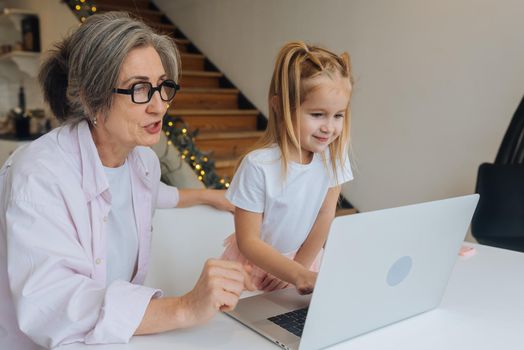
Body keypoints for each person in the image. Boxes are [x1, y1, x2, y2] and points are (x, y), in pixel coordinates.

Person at [0, 12, 254, 350]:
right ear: (91, 99)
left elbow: (157, 195)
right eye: (139, 89)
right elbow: (54, 305)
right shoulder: (39, 175)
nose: (159, 105)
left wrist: (212, 196)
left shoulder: (142, 161)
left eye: (163, 86)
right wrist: (184, 308)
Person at [222, 42, 354, 294]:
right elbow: (248, 241)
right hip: (253, 267)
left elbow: (325, 216)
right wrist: (294, 273)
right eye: (317, 115)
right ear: (280, 106)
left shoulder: (334, 157)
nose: (329, 127)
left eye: (338, 115)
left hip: (304, 259)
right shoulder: (258, 166)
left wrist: (300, 268)